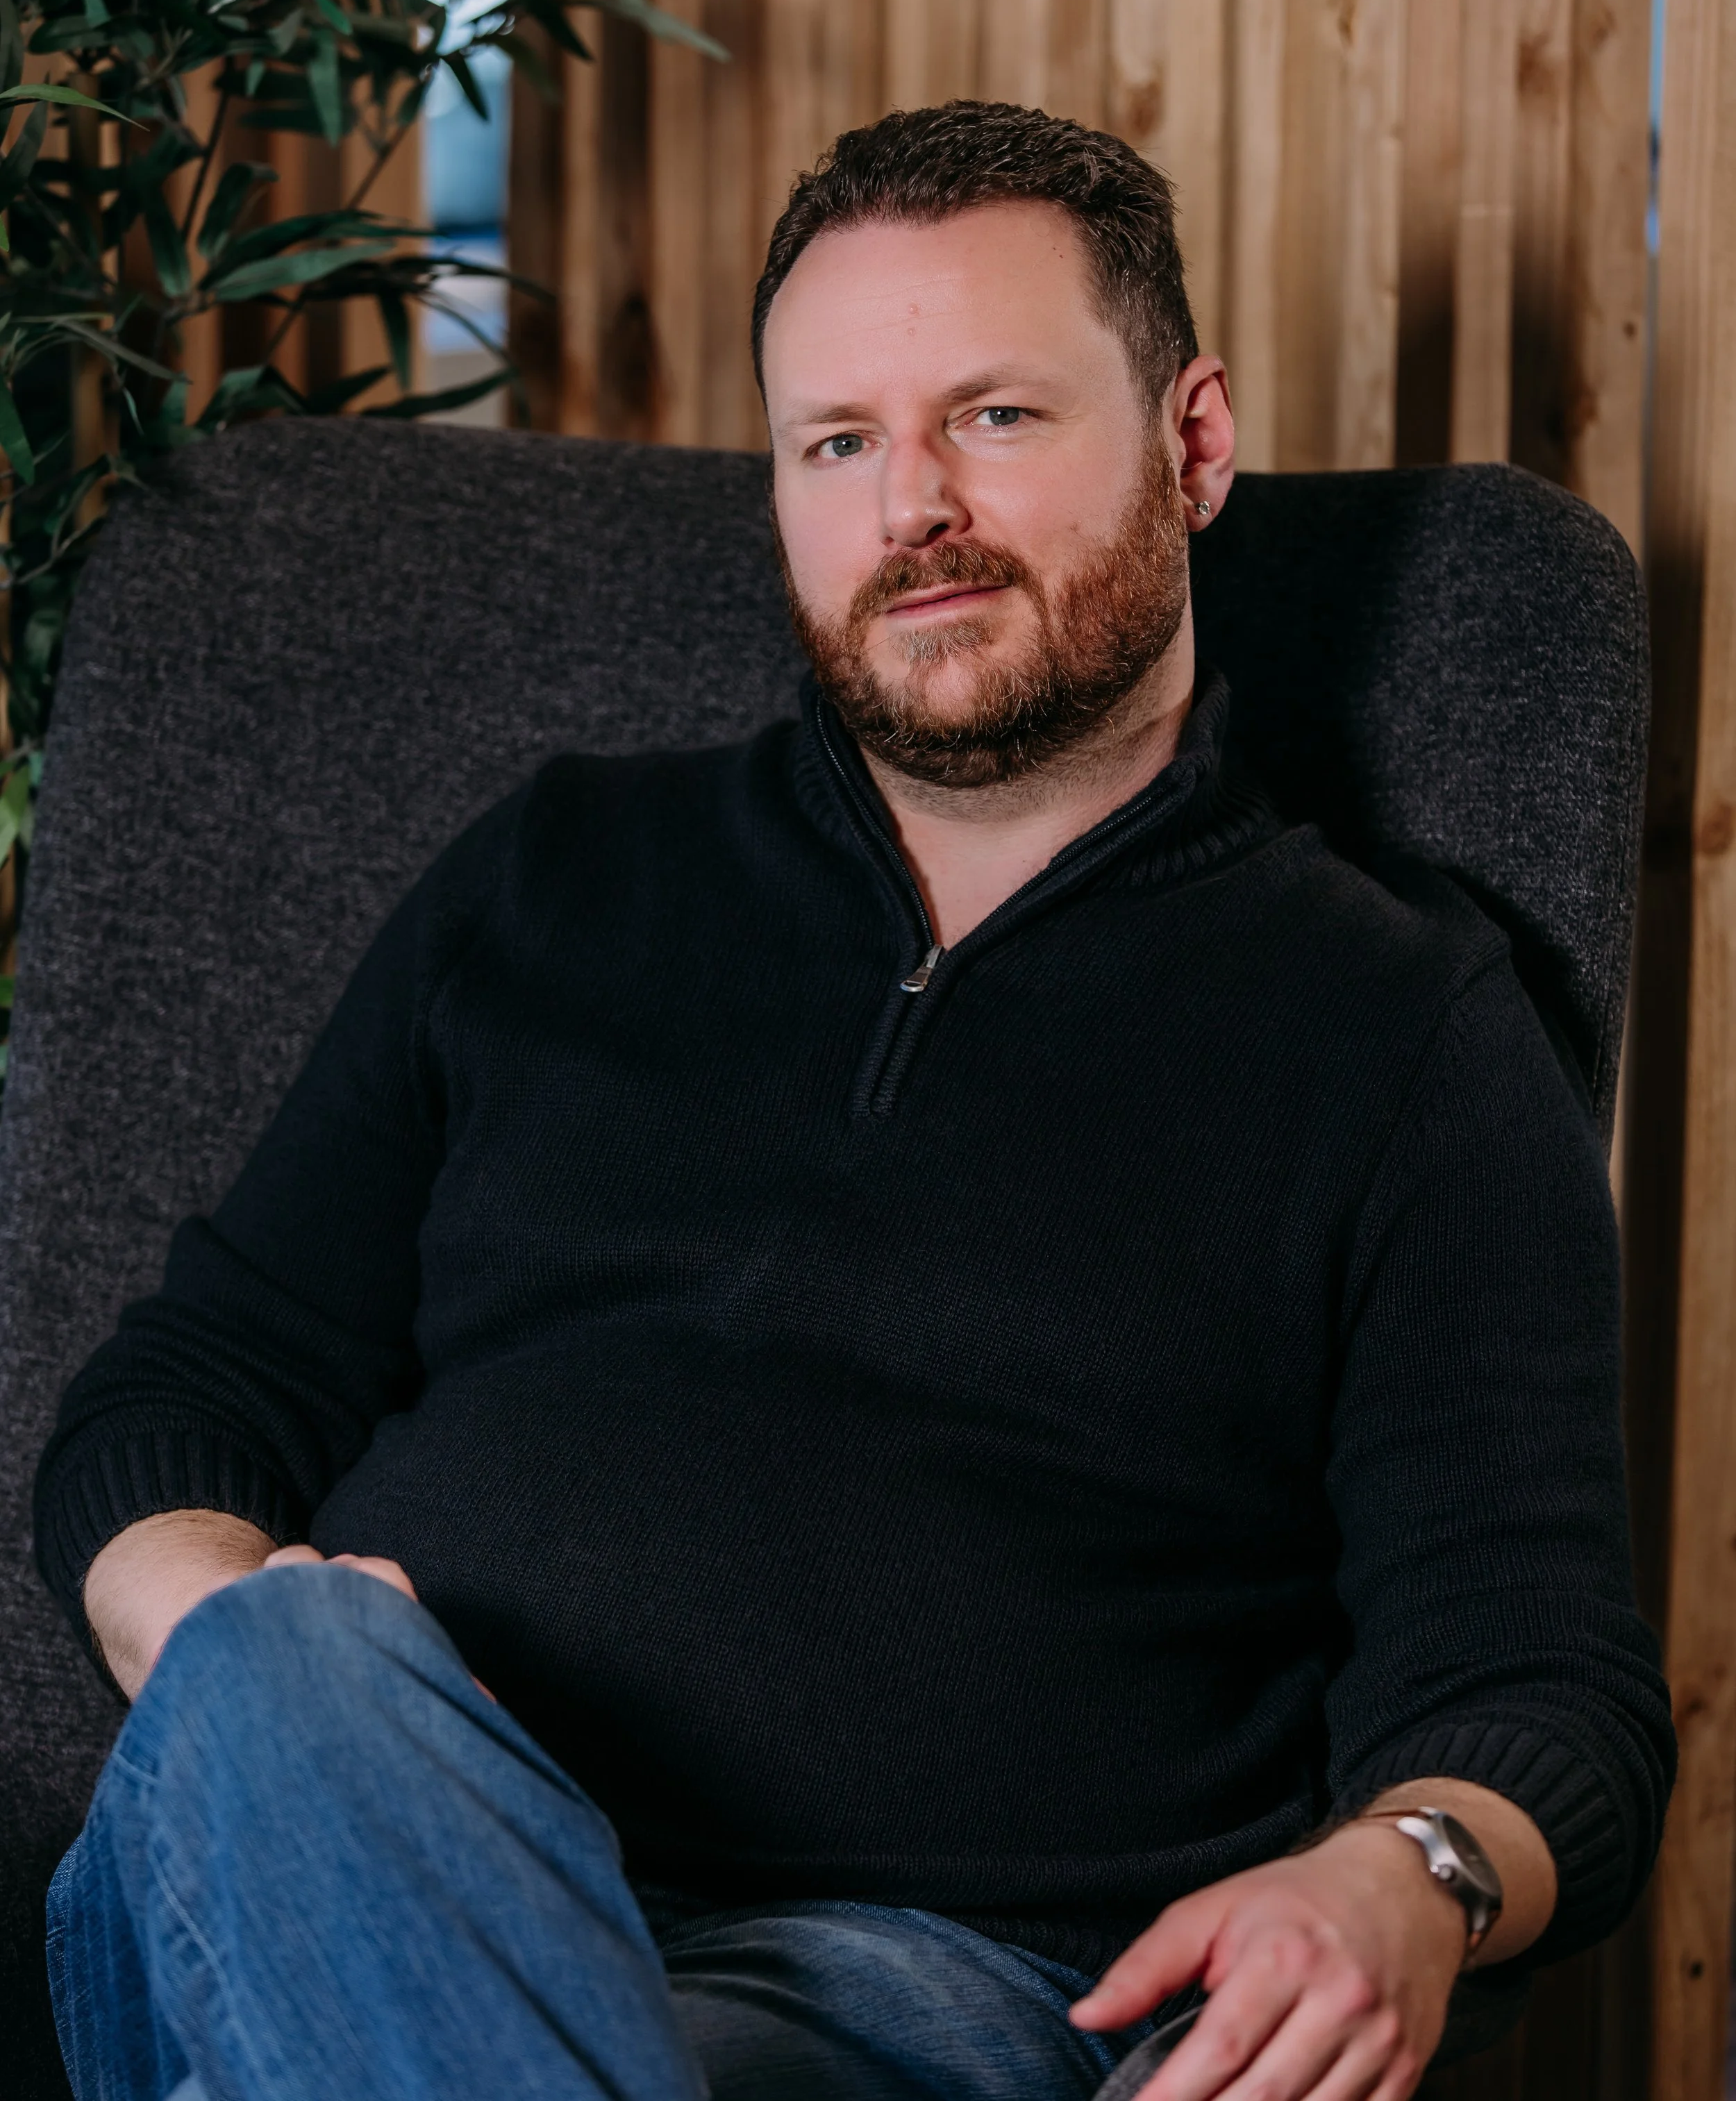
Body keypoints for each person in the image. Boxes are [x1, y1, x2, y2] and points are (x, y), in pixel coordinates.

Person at [34, 101, 1671, 2101]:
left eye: (992, 415)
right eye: (837, 441)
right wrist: (233, 1652)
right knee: (283, 1671)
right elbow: (189, 1385)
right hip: (307, 1858)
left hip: (902, 1990)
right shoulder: (555, 878)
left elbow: (1533, 1679)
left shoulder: (1401, 1024)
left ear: (1193, 442)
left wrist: (1402, 1871)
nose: (911, 506)